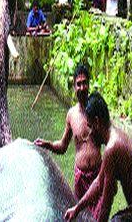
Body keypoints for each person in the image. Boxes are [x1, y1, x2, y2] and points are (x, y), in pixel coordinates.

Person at [34, 64, 103, 220]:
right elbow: (63, 146)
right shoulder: (71, 115)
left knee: (98, 218)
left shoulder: (97, 111)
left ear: (89, 84)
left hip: (98, 175)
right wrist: (47, 144)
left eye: (85, 83)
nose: (82, 87)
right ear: (74, 87)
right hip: (80, 178)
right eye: (78, 84)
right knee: (80, 217)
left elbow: (108, 137)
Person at [65, 92, 132, 222]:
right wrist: (77, 208)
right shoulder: (115, 138)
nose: (89, 134)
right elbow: (99, 183)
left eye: (90, 127)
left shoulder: (112, 148)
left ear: (97, 122)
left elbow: (106, 201)